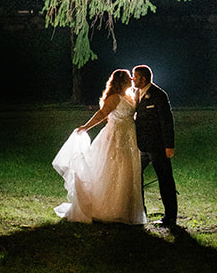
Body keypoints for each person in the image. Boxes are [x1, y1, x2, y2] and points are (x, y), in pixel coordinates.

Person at [52, 68, 146, 224]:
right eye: (129, 77)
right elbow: (102, 115)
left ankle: (124, 209)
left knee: (127, 171)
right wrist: (85, 127)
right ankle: (107, 208)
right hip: (115, 137)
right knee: (113, 169)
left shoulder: (130, 96)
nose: (132, 79)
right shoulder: (114, 98)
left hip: (129, 137)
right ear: (122, 81)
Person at [132, 64, 177, 229]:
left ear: (143, 78)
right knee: (135, 177)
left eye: (135, 76)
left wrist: (169, 145)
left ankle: (170, 217)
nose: (132, 79)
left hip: (157, 146)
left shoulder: (158, 95)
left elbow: (166, 121)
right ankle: (140, 212)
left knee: (165, 180)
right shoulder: (136, 94)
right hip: (142, 146)